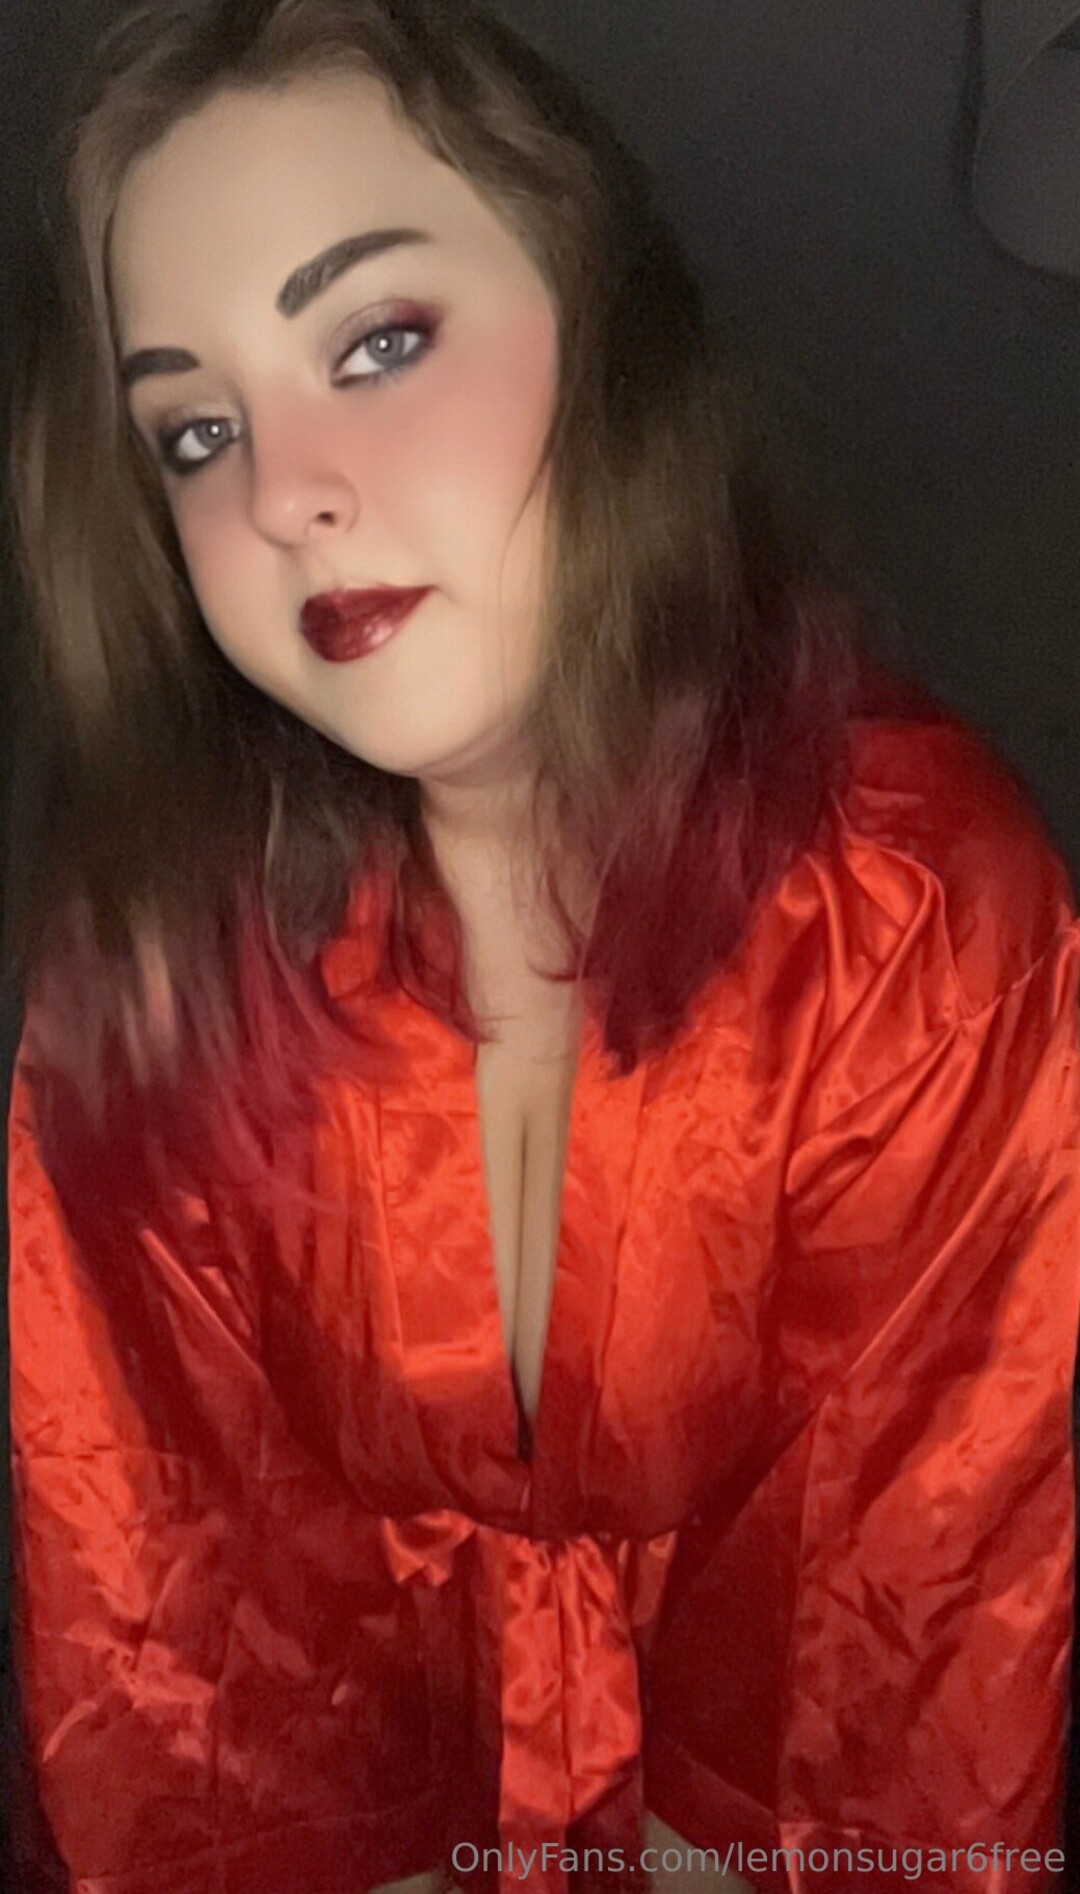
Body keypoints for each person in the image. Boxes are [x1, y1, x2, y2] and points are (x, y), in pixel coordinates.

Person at [5, 2, 1079, 1891]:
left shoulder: (914, 925)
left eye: (378, 341)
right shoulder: (156, 968)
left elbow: (900, 1653)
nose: (282, 492)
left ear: (603, 329)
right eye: (196, 430)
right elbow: (175, 1638)